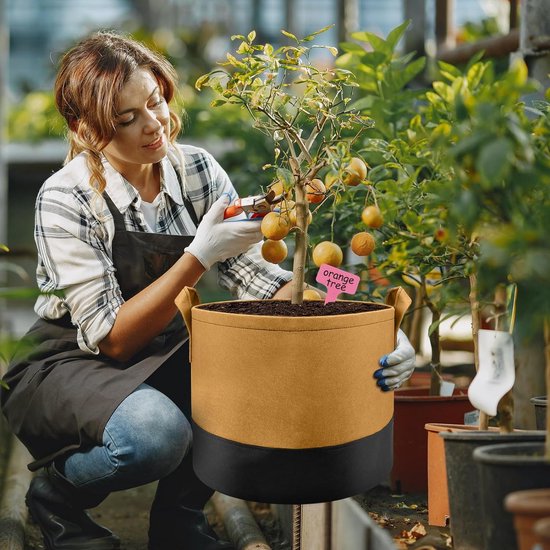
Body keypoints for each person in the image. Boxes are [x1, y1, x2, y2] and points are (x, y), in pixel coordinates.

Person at [0, 31, 416, 550]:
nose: (153, 125)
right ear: (86, 129)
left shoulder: (195, 170)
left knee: (248, 366)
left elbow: (268, 280)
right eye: (126, 119)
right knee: (155, 435)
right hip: (69, 362)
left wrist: (372, 322)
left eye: (154, 101)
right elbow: (110, 338)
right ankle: (57, 497)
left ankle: (178, 523)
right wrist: (200, 255)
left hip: (165, 348)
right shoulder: (66, 196)